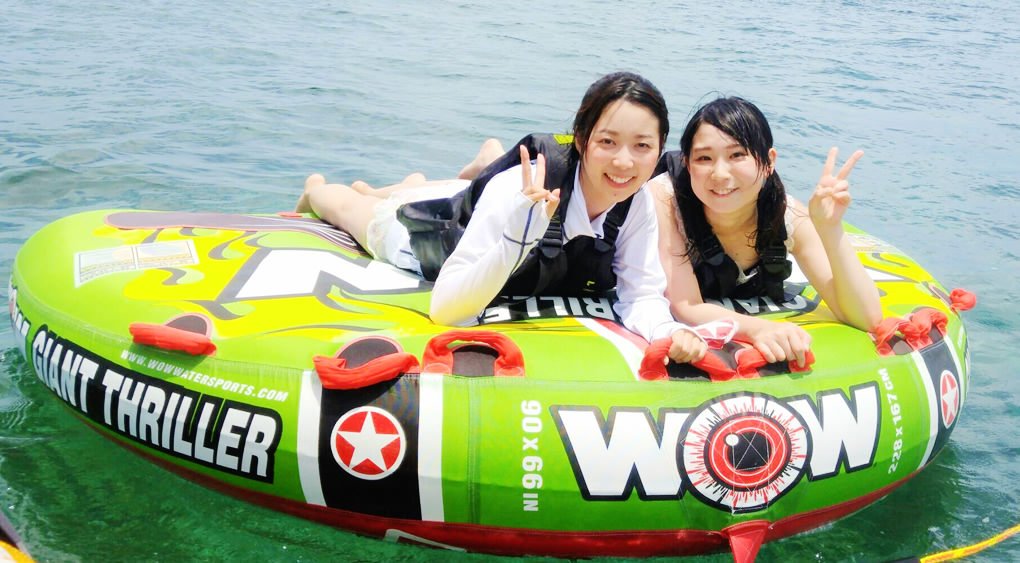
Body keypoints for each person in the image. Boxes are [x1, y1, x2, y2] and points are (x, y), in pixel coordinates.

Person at [295, 71, 706, 363]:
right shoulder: (519, 190)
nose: (624, 162)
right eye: (608, 142)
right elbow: (445, 309)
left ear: (659, 149)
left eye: (642, 146)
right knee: (355, 211)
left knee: (433, 190)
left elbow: (641, 295)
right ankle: (319, 187)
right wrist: (516, 241)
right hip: (437, 237)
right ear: (580, 139)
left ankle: (449, 171)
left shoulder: (635, 201)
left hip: (478, 201)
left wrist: (667, 331)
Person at [648, 96, 882, 367]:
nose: (720, 173)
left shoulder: (788, 216)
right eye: (704, 158)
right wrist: (759, 330)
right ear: (687, 163)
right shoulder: (664, 199)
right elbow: (686, 305)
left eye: (737, 155)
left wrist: (830, 228)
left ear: (769, 161)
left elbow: (866, 318)